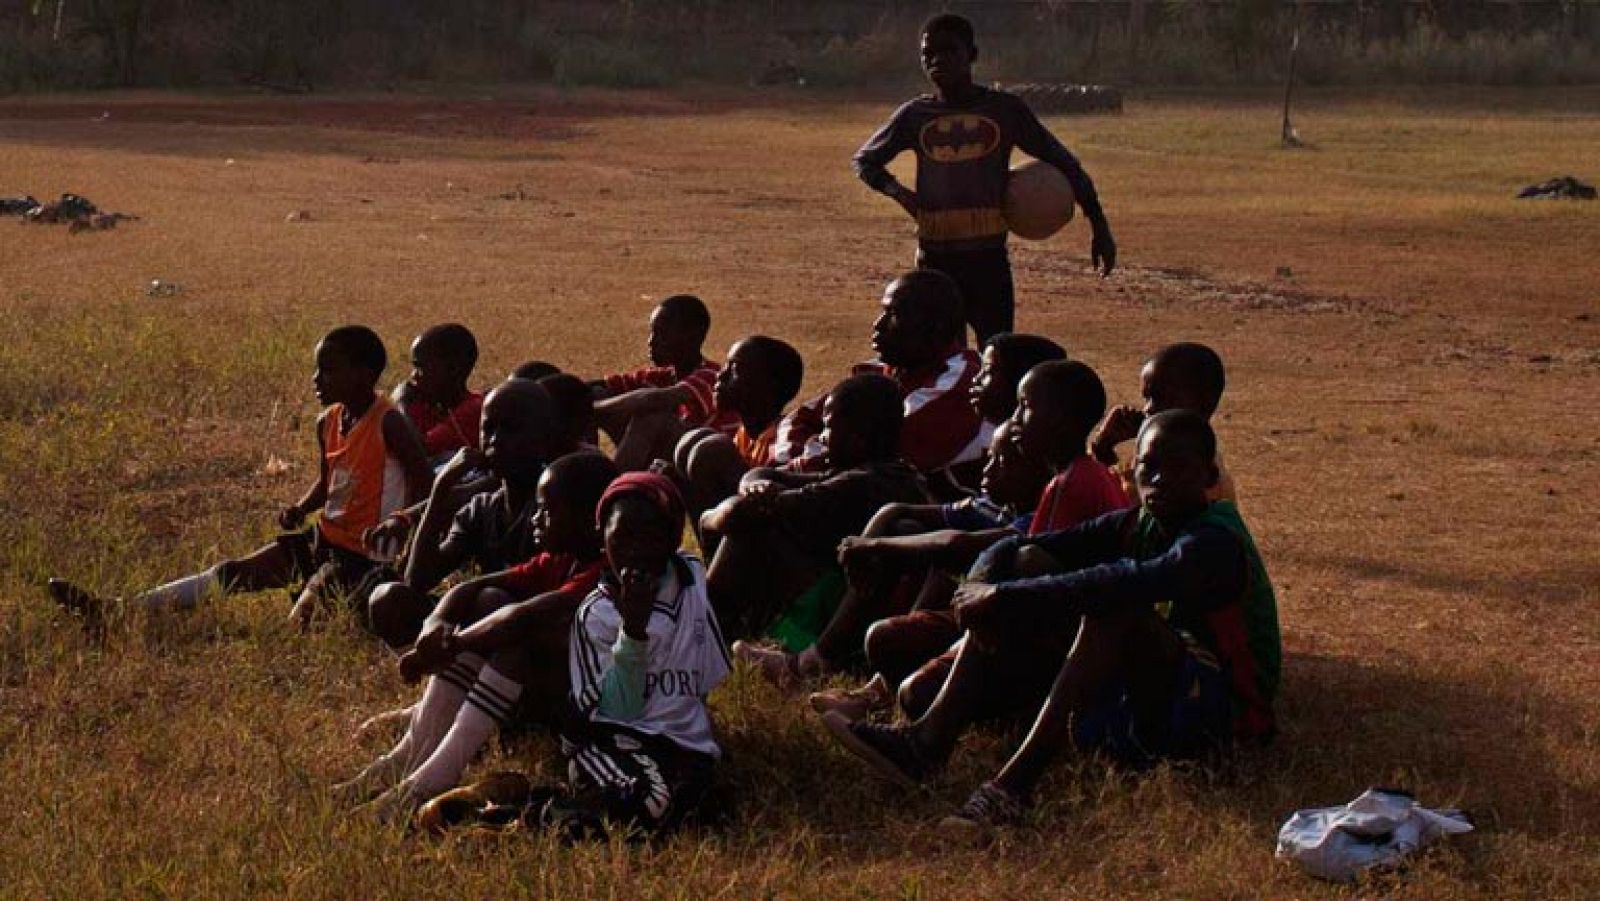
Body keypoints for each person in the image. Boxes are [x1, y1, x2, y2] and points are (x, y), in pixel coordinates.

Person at [821, 412, 1281, 841]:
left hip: (1226, 712)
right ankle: (927, 740)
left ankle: (1010, 791)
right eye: (1148, 467)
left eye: (1177, 467)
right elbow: (1024, 545)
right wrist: (983, 585)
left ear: (1210, 477)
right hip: (1155, 692)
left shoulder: (1214, 542)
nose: (1158, 480)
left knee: (1112, 606)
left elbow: (1127, 582)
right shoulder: (1140, 522)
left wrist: (1004, 597)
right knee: (1026, 561)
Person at [47, 326, 431, 629]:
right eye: (317, 369)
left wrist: (403, 525)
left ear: (364, 376)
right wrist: (301, 507)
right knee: (232, 573)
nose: (316, 379)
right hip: (326, 539)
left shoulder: (389, 423)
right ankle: (118, 611)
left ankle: (335, 597)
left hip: (365, 556)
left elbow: (426, 482)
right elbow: (330, 479)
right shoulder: (327, 422)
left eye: (328, 370)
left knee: (304, 619)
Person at [414, 473, 730, 838]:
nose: (638, 550)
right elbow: (619, 711)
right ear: (603, 540)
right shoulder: (600, 613)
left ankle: (516, 801)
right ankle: (514, 823)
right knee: (647, 801)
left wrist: (687, 725)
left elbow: (703, 669)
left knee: (703, 805)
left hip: (679, 744)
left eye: (653, 536)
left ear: (675, 538)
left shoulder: (689, 578)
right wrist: (634, 632)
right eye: (623, 538)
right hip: (612, 736)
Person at [336, 453, 618, 818]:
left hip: (593, 712)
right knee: (488, 601)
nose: (536, 519)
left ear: (589, 521)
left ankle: (434, 777)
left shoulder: (604, 574)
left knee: (518, 636)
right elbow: (472, 588)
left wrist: (451, 646)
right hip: (540, 690)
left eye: (547, 512)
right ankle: (414, 748)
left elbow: (527, 615)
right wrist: (435, 625)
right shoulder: (562, 559)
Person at [853, 13, 1117, 344]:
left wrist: (1098, 222)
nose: (937, 60)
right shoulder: (914, 116)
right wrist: (899, 193)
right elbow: (866, 160)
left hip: (988, 260)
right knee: (942, 358)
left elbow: (1062, 161)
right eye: (928, 54)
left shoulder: (1004, 110)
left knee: (997, 354)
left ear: (972, 54)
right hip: (934, 260)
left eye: (949, 51)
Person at [738, 421, 1048, 690]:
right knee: (905, 527)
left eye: (1002, 462)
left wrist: (874, 546)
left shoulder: (1036, 521)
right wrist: (868, 539)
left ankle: (825, 663)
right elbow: (904, 513)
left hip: (993, 640)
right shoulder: (991, 505)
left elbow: (956, 543)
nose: (988, 469)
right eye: (989, 458)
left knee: (911, 590)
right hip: (954, 609)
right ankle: (835, 663)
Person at [706, 374, 927, 643]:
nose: (821, 438)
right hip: (835, 594)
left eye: (828, 427)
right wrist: (755, 485)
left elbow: (745, 512)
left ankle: (704, 629)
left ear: (858, 437)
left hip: (833, 609)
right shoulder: (887, 473)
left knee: (748, 533)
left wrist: (711, 517)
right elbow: (765, 474)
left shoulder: (860, 485)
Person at [365, 378, 582, 649]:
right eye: (488, 429)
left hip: (538, 630)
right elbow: (418, 579)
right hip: (486, 623)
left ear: (545, 437)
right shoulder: (483, 508)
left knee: (489, 599)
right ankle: (428, 665)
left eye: (511, 429)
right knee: (389, 599)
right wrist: (441, 489)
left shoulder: (554, 507)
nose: (496, 441)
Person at [774, 270, 984, 496]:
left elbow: (875, 451)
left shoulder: (960, 385)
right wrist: (789, 464)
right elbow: (800, 418)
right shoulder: (882, 370)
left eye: (893, 314)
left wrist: (789, 472)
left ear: (935, 326)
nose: (878, 324)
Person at [670, 335, 804, 525]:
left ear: (768, 386)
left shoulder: (785, 439)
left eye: (734, 369)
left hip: (771, 533)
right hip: (739, 520)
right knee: (694, 440)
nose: (720, 375)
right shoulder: (744, 434)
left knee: (710, 450)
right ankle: (713, 550)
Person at [591, 294, 732, 471]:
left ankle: (610, 485)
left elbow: (655, 399)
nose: (651, 342)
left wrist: (591, 408)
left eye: (662, 334)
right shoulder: (663, 377)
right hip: (673, 459)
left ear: (692, 338)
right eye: (652, 332)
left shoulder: (711, 376)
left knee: (652, 418)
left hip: (708, 469)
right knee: (591, 395)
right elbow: (597, 388)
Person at [1090, 342, 1237, 503]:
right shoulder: (1165, 458)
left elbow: (1116, 508)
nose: (1148, 409)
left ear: (1203, 403)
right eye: (1147, 398)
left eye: (1160, 398)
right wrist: (1103, 448)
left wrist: (1101, 449)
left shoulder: (1194, 477)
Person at [393, 323, 484, 465]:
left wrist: (401, 403)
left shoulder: (474, 408)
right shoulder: (432, 406)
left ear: (453, 369)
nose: (414, 376)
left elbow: (418, 452)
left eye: (420, 367)